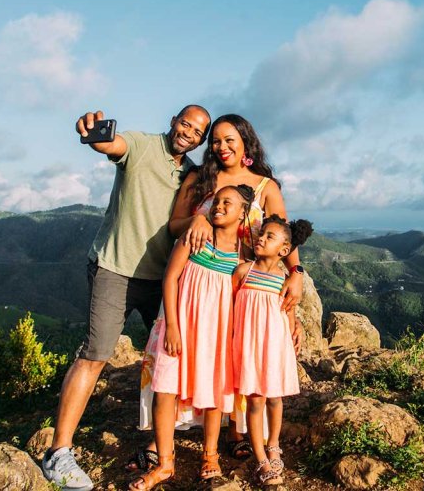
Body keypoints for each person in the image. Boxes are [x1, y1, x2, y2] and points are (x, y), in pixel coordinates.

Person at [41, 105, 211, 491]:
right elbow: (110, 145)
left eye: (198, 132)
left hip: (163, 278)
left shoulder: (194, 175)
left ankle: (159, 442)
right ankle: (58, 453)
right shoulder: (141, 145)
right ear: (173, 121)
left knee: (173, 358)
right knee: (96, 354)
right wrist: (94, 134)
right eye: (186, 123)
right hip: (114, 269)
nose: (189, 133)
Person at [127, 114, 304, 468]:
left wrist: (296, 271)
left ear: (245, 142)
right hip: (196, 278)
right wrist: (197, 219)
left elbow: (281, 233)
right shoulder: (200, 177)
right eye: (216, 141)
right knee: (178, 359)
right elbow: (174, 224)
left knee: (225, 357)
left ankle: (235, 431)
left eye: (230, 140)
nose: (222, 147)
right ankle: (164, 438)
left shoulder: (266, 186)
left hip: (241, 286)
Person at [130, 185, 253, 490]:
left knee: (214, 393)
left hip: (217, 333)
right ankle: (165, 463)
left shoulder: (241, 252)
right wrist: (171, 325)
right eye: (216, 200)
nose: (219, 206)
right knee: (166, 390)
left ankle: (210, 456)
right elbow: (170, 278)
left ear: (243, 213)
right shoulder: (195, 237)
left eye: (229, 202)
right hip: (181, 327)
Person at [231, 216, 313, 487]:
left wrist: (293, 335)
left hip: (275, 346)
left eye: (269, 237)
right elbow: (229, 307)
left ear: (284, 250)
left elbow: (288, 312)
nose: (261, 238)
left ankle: (274, 444)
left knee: (275, 399)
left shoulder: (286, 279)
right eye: (261, 234)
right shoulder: (244, 271)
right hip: (248, 346)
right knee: (255, 402)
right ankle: (260, 458)